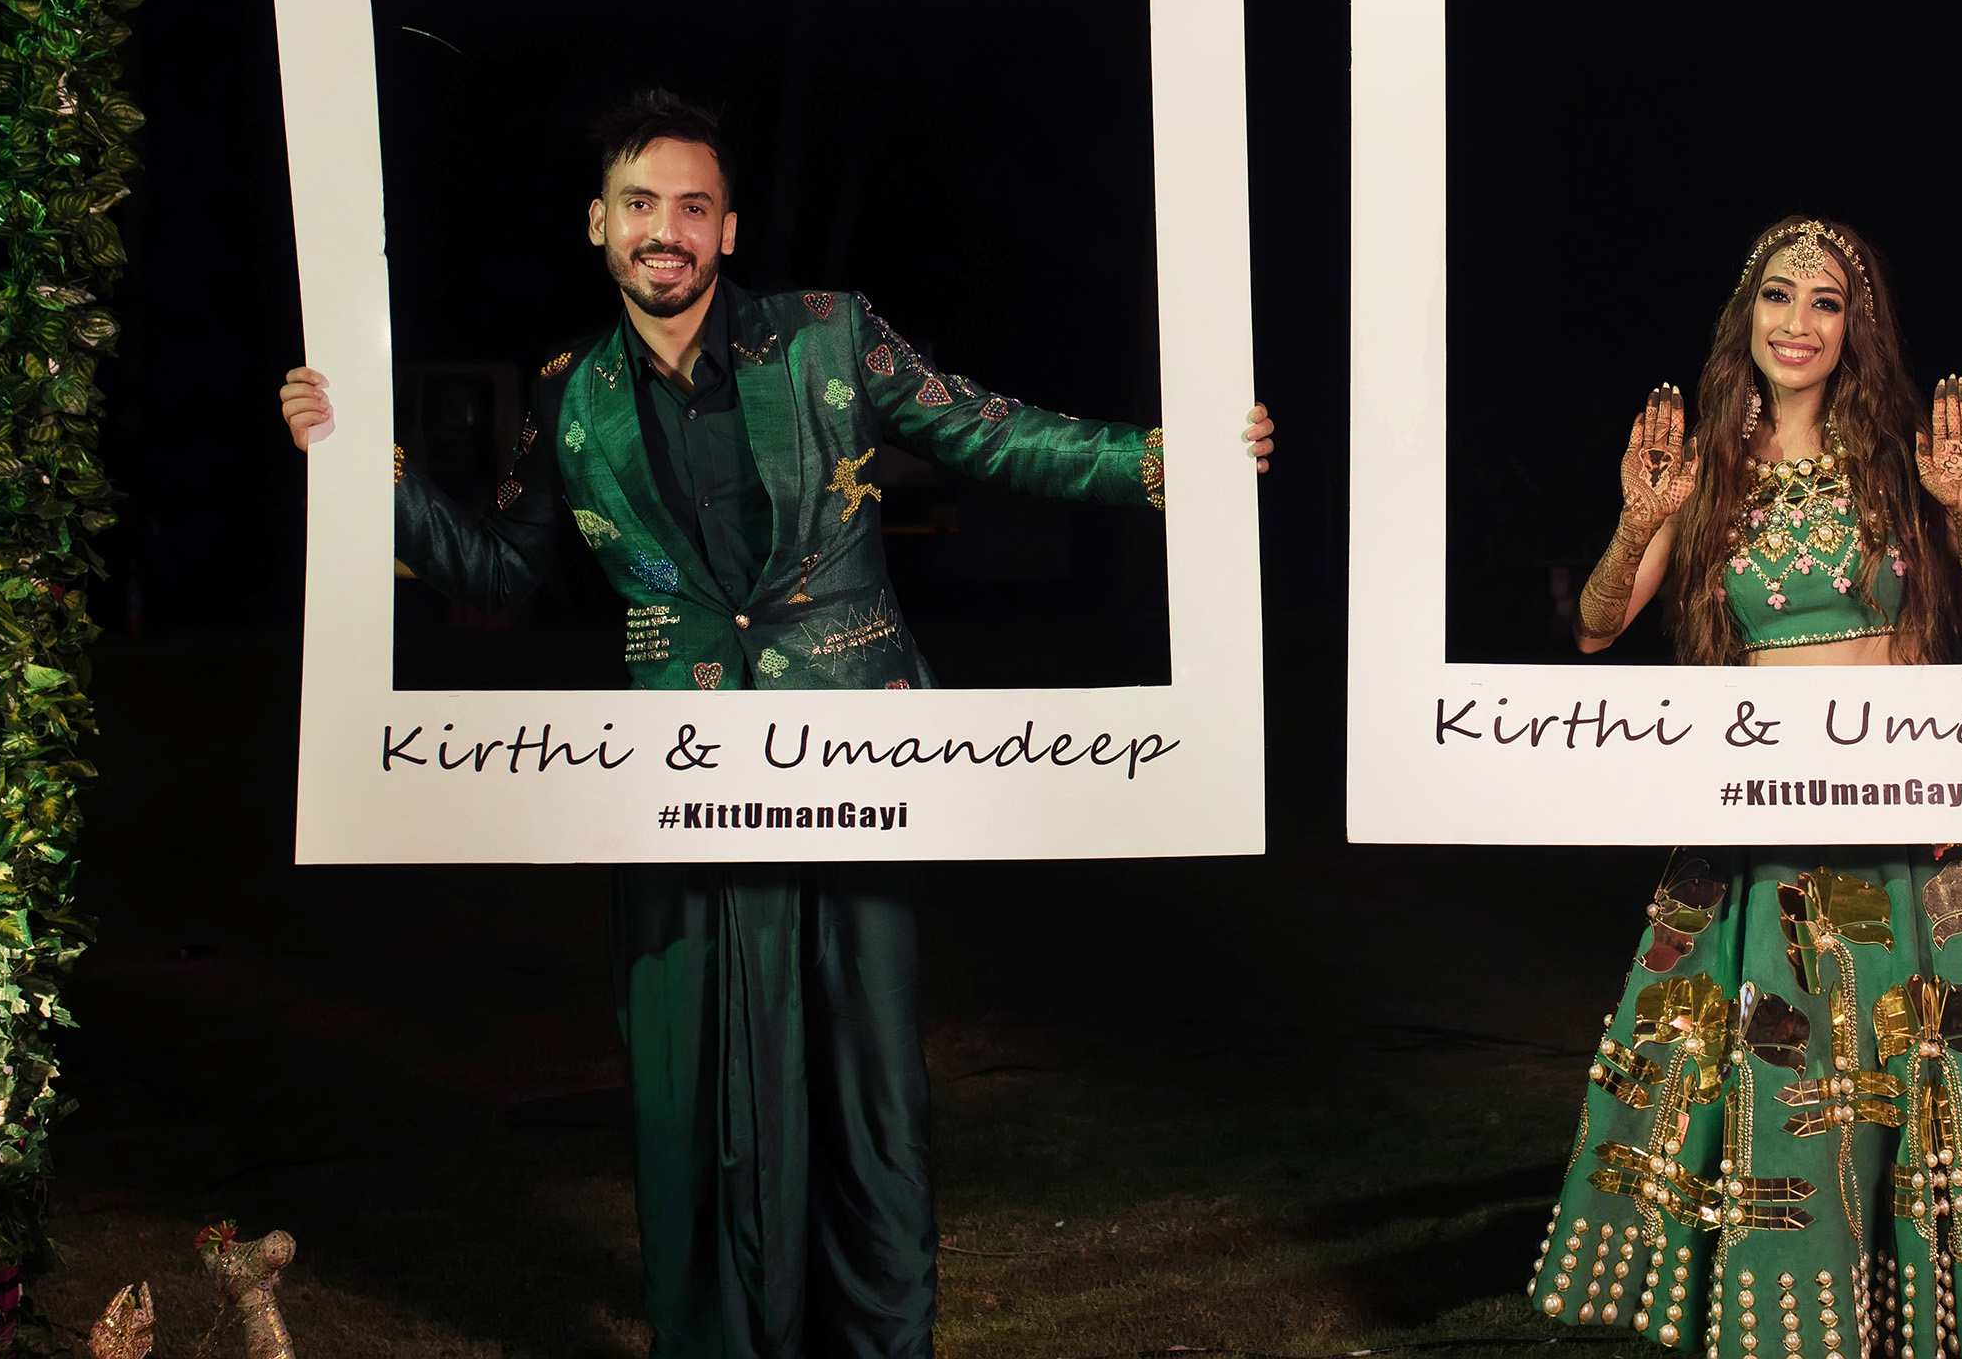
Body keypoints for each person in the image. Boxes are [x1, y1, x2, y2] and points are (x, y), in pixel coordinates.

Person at [279, 89, 1274, 1359]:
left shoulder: (827, 336)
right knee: (686, 1078)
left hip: (855, 762)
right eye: (641, 204)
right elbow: (500, 572)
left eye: (694, 207)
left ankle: (874, 1340)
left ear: (730, 228)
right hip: (676, 784)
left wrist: (1166, 458)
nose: (667, 230)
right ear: (599, 223)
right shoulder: (568, 395)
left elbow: (991, 432)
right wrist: (362, 465)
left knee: (866, 1079)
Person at [1529, 217, 1962, 1357]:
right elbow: (1596, 626)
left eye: (1826, 302)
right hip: (1760, 834)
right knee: (1782, 1068)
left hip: (1902, 824)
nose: (1799, 322)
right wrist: (1638, 523)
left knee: (1914, 1062)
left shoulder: (1899, 460)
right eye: (1779, 295)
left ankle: (1911, 1300)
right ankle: (1789, 1300)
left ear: (1855, 329)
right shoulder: (1707, 469)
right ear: (1745, 314)